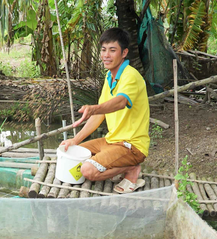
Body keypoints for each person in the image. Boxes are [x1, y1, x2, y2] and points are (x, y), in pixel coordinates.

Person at [59, 28, 150, 194]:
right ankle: (118, 164)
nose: (106, 55)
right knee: (75, 153)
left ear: (124, 53)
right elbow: (100, 115)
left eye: (112, 50)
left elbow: (121, 102)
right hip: (111, 141)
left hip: (132, 146)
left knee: (87, 170)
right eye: (103, 50)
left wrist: (95, 108)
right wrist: (75, 140)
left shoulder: (131, 76)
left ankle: (131, 168)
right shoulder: (110, 78)